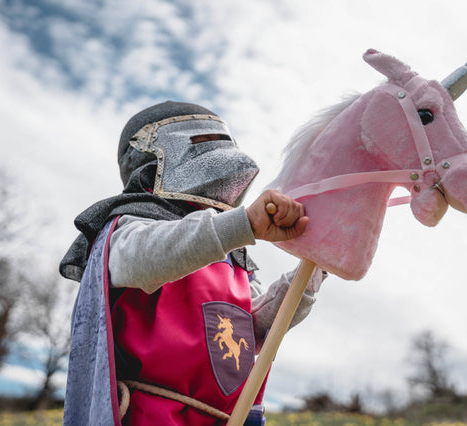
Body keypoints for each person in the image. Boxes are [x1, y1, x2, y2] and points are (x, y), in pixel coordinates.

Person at [59, 101, 325, 425]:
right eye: (202, 141)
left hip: (226, 417)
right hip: (151, 415)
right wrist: (244, 226)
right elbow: (138, 261)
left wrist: (317, 266)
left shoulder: (232, 255)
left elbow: (255, 330)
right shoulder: (130, 226)